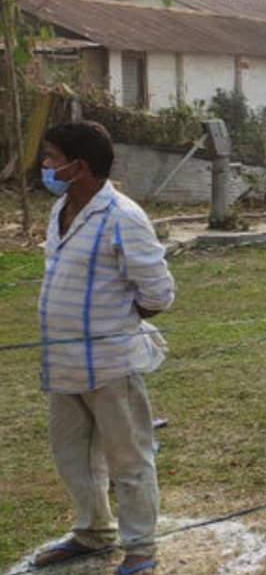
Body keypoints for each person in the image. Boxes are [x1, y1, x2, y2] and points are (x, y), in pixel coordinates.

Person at [32, 122, 176, 575]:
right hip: (63, 363)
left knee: (129, 459)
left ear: (81, 166)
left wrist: (118, 321)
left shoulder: (122, 216)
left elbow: (158, 292)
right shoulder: (61, 209)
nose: (47, 167)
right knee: (73, 457)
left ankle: (140, 550)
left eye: (53, 158)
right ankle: (93, 531)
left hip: (112, 365)